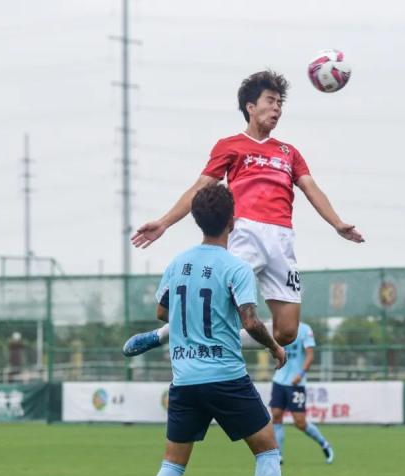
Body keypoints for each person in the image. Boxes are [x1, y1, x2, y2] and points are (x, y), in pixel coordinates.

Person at [124, 69, 364, 357]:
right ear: (251, 107)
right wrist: (164, 223)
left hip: (282, 240)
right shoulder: (230, 146)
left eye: (280, 103)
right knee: (214, 305)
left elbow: (311, 188)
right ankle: (164, 334)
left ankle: (211, 338)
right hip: (244, 234)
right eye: (270, 101)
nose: (277, 108)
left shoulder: (289, 152)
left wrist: (337, 223)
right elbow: (200, 187)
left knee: (287, 332)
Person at [143, 185, 287, 476]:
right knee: (267, 449)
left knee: (172, 463)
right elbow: (250, 321)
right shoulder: (236, 268)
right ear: (232, 221)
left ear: (196, 220)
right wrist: (274, 347)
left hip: (184, 380)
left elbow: (162, 311)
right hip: (225, 376)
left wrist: (185, 321)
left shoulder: (177, 263)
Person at [270, 322, 333, 465]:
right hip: (279, 381)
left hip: (296, 383)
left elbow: (310, 356)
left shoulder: (305, 329)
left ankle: (324, 444)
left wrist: (301, 374)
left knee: (300, 422)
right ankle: (278, 455)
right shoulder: (278, 327)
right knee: (276, 416)